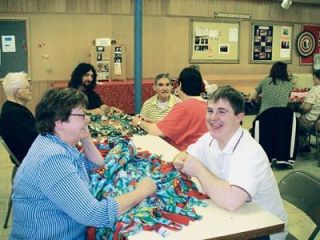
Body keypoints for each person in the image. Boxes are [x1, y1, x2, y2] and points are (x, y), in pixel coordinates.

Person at [10, 88, 156, 239]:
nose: (87, 119)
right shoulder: (52, 158)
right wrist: (141, 192)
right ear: (59, 121)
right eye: (82, 115)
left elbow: (96, 166)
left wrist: (86, 138)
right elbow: (95, 215)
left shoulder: (55, 143)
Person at [173, 86, 288, 240]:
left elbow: (232, 201)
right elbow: (186, 155)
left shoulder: (249, 151)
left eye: (222, 111)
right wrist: (179, 159)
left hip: (263, 230)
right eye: (210, 110)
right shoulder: (209, 138)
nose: (213, 118)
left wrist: (199, 170)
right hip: (236, 217)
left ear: (239, 117)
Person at [132, 67, 208, 151]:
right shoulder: (207, 106)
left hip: (181, 155)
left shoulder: (183, 107)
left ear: (179, 85)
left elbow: (157, 131)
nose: (164, 88)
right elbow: (171, 125)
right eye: (161, 85)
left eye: (168, 85)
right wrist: (148, 120)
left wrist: (139, 122)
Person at [0, 72, 37, 167]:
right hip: (32, 162)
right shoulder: (14, 114)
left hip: (31, 157)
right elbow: (33, 143)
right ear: (17, 92)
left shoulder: (12, 109)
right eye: (27, 87)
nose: (31, 89)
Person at [297, 69, 320, 151]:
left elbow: (307, 107)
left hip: (314, 123)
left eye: (314, 78)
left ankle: (302, 145)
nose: (313, 81)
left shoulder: (315, 89)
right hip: (318, 121)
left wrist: (302, 105)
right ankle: (304, 143)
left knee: (295, 121)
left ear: (317, 78)